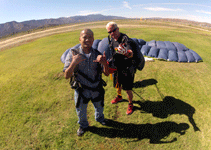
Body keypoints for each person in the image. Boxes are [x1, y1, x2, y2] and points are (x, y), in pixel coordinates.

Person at [63, 29, 109, 136]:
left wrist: (105, 63)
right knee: (81, 111)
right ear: (80, 39)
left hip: (96, 89)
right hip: (81, 90)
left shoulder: (97, 54)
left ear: (93, 40)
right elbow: (66, 75)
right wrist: (74, 62)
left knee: (99, 107)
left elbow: (106, 74)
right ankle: (83, 126)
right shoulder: (73, 54)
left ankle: (100, 118)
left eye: (90, 37)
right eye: (84, 37)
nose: (87, 39)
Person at [106, 21, 137, 115]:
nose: (112, 33)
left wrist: (127, 53)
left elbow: (131, 52)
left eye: (113, 30)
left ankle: (131, 104)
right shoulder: (111, 39)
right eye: (109, 32)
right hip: (117, 67)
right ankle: (119, 97)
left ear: (118, 29)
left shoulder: (125, 39)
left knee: (127, 89)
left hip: (127, 68)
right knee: (117, 84)